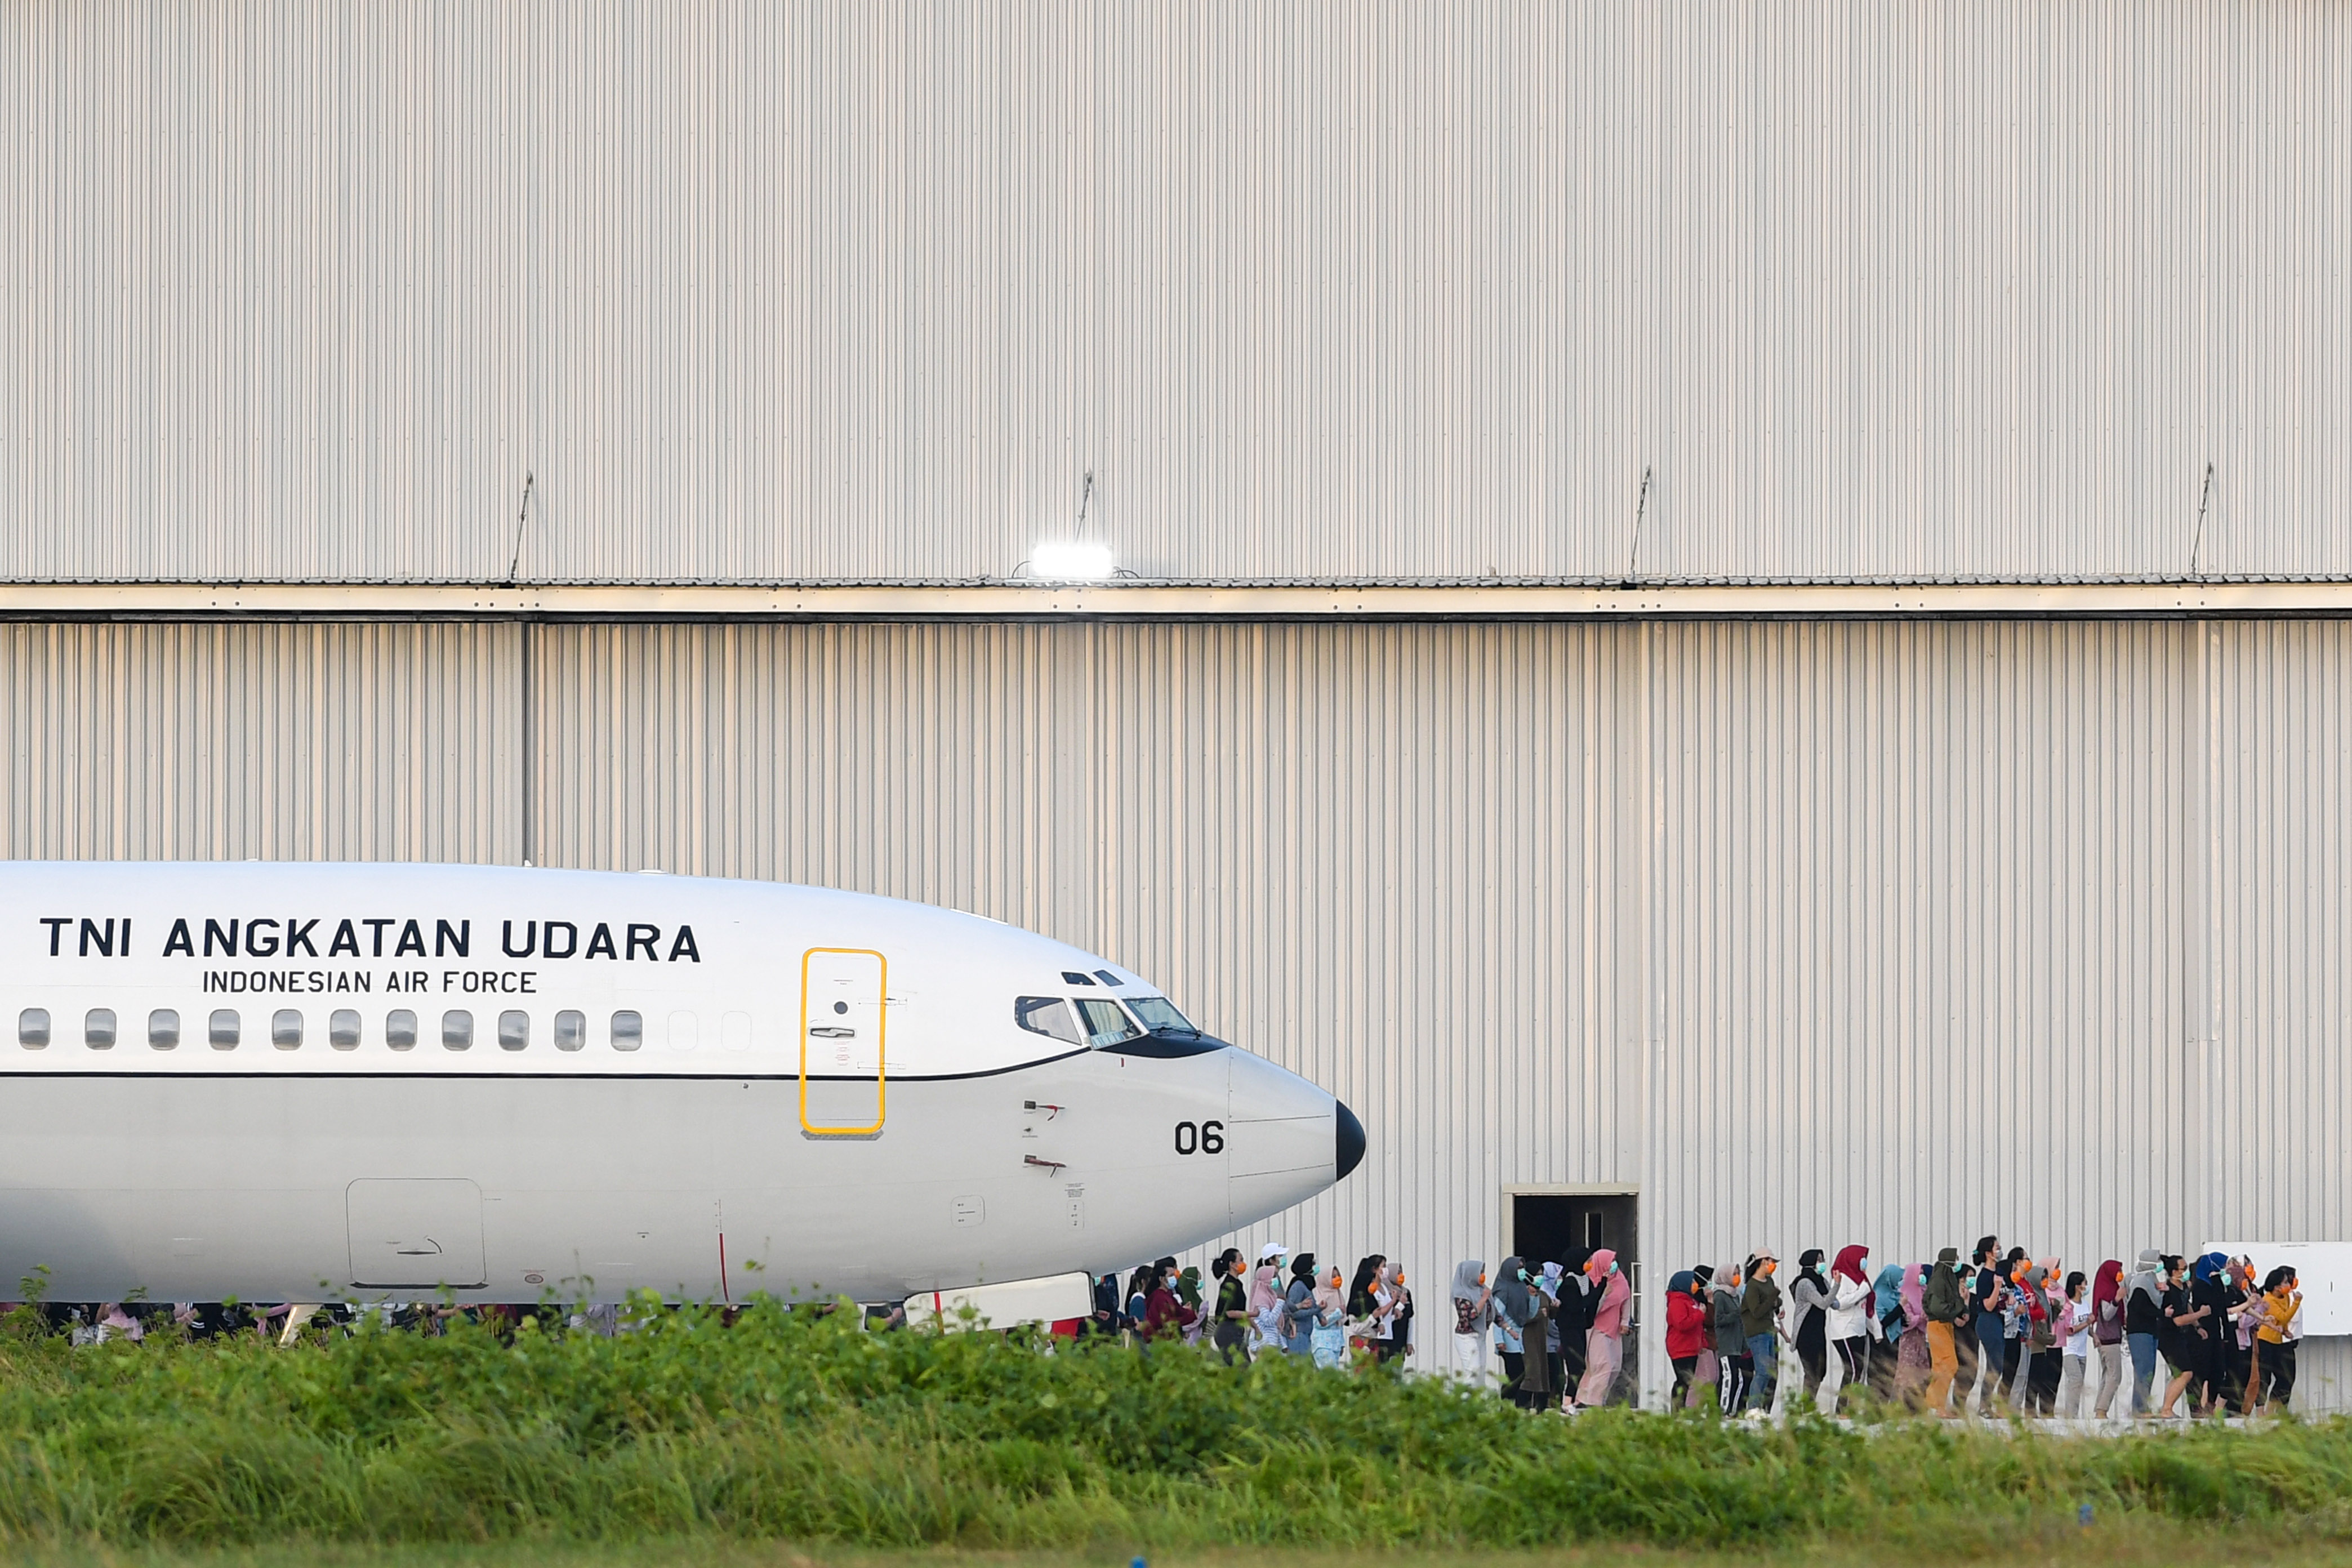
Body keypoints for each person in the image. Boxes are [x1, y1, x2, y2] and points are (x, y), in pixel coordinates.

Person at [1824, 1246, 1878, 1414]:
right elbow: (1839, 1304)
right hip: (1844, 1331)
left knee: (1859, 1370)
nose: (1864, 1261)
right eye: (1862, 1257)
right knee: (1853, 1369)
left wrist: (1877, 1333)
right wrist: (1862, 1291)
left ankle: (1851, 1407)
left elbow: (1868, 1309)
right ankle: (1842, 1409)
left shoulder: (1861, 1280)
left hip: (1858, 1331)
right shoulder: (1841, 1279)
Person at [1575, 1249, 1631, 1409]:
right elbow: (1592, 1309)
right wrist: (1604, 1294)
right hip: (1597, 1328)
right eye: (1610, 1261)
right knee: (1602, 1365)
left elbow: (1626, 1300)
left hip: (1615, 1330)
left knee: (1615, 1367)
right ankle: (1592, 1401)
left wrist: (1625, 1322)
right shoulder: (1593, 1282)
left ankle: (1594, 1397)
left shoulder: (1620, 1280)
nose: (1613, 1265)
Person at [2153, 1255, 2206, 1418]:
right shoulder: (2169, 1291)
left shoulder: (2183, 1287)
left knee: (2180, 1374)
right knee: (2186, 1373)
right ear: (2174, 1271)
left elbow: (2187, 1305)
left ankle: (2167, 1409)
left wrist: (2197, 1325)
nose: (2186, 1272)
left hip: (2180, 1336)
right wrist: (2201, 1313)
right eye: (2183, 1269)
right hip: (2168, 1335)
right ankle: (2167, 1408)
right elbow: (2177, 1320)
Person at [2249, 1265, 2300, 1414]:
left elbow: (2281, 1319)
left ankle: (2275, 1408)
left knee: (2285, 1377)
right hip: (2264, 1340)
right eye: (2285, 1283)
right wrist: (2297, 1302)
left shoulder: (2284, 1298)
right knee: (2265, 1377)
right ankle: (2261, 1412)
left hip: (2277, 1341)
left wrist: (2285, 1331)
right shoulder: (2269, 1299)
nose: (2288, 1286)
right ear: (2277, 1287)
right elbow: (2284, 1316)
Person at [1787, 1249, 1833, 1411]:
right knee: (1812, 1371)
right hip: (1805, 1333)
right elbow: (1823, 1303)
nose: (1822, 1263)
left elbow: (1834, 1302)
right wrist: (1838, 1284)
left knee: (1821, 1371)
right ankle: (1806, 1407)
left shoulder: (1822, 1281)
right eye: (1819, 1260)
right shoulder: (1805, 1282)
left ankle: (1808, 1404)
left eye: (1823, 1259)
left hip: (1818, 1332)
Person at [1970, 1238, 2011, 1414]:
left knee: (1998, 1365)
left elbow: (2006, 1292)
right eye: (1997, 1248)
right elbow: (1988, 1305)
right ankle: (1984, 1405)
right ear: (1988, 1253)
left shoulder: (2000, 1271)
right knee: (1995, 1365)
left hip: (1999, 1320)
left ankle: (1986, 1404)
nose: (1999, 1251)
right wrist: (1996, 1287)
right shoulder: (1984, 1278)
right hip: (1987, 1320)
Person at [1923, 1247, 1965, 1415]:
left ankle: (1937, 1405)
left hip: (1946, 1325)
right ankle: (1934, 1404)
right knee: (1948, 1364)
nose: (1957, 1264)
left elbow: (1955, 1301)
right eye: (1954, 1260)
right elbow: (1937, 1308)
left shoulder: (1948, 1280)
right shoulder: (1939, 1282)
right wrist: (1956, 1310)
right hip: (1938, 1324)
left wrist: (1963, 1311)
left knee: (1944, 1365)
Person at [2124, 1249, 2166, 1414]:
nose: (2160, 1265)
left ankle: (2143, 1405)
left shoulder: (2152, 1282)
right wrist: (2162, 1313)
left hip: (2150, 1331)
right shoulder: (2141, 1282)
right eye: (2157, 1261)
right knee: (2143, 1369)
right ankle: (2139, 1408)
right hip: (2140, 1331)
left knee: (2150, 1370)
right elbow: (2138, 1307)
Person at [1740, 1250, 1782, 1414]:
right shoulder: (1752, 1285)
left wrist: (1775, 1300)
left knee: (1770, 1371)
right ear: (1762, 1262)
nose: (1773, 1265)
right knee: (1762, 1370)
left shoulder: (1769, 1281)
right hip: (1757, 1332)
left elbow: (1775, 1303)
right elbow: (1756, 1312)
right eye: (1770, 1261)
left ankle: (1760, 1407)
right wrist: (1773, 1297)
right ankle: (1753, 1407)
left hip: (1769, 1329)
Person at [1709, 1261, 1752, 1413]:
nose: (1737, 1277)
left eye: (1738, 1274)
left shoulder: (1735, 1296)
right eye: (1734, 1274)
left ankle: (1734, 1409)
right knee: (1729, 1378)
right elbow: (1719, 1320)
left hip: (1737, 1345)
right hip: (1727, 1344)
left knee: (1738, 1379)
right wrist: (1738, 1313)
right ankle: (1722, 1410)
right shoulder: (1720, 1295)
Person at [1666, 1269, 1710, 1408]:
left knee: (1688, 1381)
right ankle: (1677, 1410)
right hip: (1680, 1348)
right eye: (1692, 1282)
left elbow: (1697, 1326)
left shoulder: (1690, 1300)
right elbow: (1682, 1324)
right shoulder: (1677, 1302)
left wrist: (1702, 1343)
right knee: (1683, 1381)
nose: (1695, 1285)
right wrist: (1700, 1314)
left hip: (1692, 1347)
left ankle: (1682, 1408)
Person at [1491, 1256, 1533, 1400]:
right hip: (1507, 1338)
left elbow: (1530, 1313)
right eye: (1519, 1268)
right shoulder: (1503, 1290)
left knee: (1516, 1374)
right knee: (1517, 1373)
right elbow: (1497, 1316)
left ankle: (1508, 1404)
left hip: (1518, 1337)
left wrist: (1533, 1297)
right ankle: (1506, 1403)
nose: (1522, 1271)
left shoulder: (1521, 1287)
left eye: (1523, 1267)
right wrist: (1499, 1340)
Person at [2088, 1259, 2126, 1417]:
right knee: (2115, 1376)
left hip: (2111, 1338)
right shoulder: (2107, 1290)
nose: (2120, 1274)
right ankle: (2102, 1410)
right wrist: (2117, 1300)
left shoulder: (2111, 1288)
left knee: (2107, 1375)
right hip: (2109, 1340)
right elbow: (2107, 1315)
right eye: (2118, 1271)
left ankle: (2099, 1409)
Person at [2055, 1271, 2092, 1417]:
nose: (2087, 1287)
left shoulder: (2085, 1305)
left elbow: (2088, 1327)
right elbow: (2069, 1330)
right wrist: (2086, 1323)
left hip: (2082, 1350)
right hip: (2069, 1349)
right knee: (2075, 1380)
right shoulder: (2068, 1306)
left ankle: (2074, 1413)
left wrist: (2094, 1336)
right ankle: (2070, 1415)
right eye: (2085, 1284)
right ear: (2078, 1287)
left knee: (2079, 1383)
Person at [1868, 1263, 1906, 1402]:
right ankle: (1876, 1408)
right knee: (1880, 1374)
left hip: (1894, 1339)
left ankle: (1884, 1406)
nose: (1900, 1281)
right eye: (1898, 1277)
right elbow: (1881, 1323)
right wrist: (1900, 1308)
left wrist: (1903, 1319)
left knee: (1890, 1375)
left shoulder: (1894, 1294)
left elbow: (1895, 1318)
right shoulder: (1879, 1296)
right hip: (1882, 1341)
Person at [1449, 1259, 1494, 1378]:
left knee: (1481, 1372)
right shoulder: (1461, 1294)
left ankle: (1479, 1397)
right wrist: (1484, 1299)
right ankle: (1466, 1396)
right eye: (1480, 1273)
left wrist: (1509, 1329)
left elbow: (1495, 1313)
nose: (1482, 1276)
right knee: (1472, 1372)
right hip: (1466, 1337)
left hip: (1480, 1335)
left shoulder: (1482, 1290)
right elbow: (1471, 1315)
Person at [1139, 1256, 1197, 1343]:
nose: (1174, 1278)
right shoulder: (1159, 1298)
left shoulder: (1168, 1294)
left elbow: (1178, 1310)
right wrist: (1190, 1316)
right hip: (1160, 1341)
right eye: (1171, 1276)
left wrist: (1187, 1312)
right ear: (1162, 1279)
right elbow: (1168, 1322)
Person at [1210, 1248, 1251, 1364]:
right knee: (1242, 1367)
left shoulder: (1237, 1283)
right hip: (1228, 1331)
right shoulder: (1229, 1284)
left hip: (1235, 1331)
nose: (1243, 1264)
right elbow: (1229, 1312)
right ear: (1232, 1264)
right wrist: (1253, 1314)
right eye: (1241, 1260)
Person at [1346, 1257, 1392, 1356]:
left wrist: (1380, 1324)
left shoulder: (1371, 1301)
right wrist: (1372, 1318)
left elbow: (1377, 1313)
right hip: (1360, 1343)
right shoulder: (1356, 1307)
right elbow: (1356, 1329)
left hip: (1372, 1342)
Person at [1282, 1253, 1320, 1358]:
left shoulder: (1306, 1286)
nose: (1314, 1268)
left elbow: (1313, 1306)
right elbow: (1293, 1313)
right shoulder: (1298, 1286)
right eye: (1312, 1264)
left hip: (1305, 1333)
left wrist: (1320, 1314)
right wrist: (1316, 1311)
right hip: (1298, 1333)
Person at [1311, 1265, 1349, 1368]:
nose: (1337, 1279)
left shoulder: (1338, 1295)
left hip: (1335, 1345)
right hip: (1323, 1345)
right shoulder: (1317, 1296)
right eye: (1333, 1276)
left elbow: (1340, 1324)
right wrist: (1338, 1313)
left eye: (1338, 1276)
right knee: (1331, 1379)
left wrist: (1341, 1344)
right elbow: (1317, 1323)